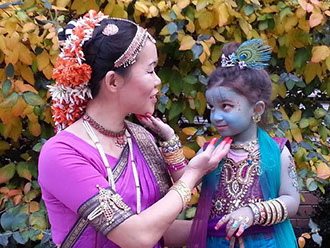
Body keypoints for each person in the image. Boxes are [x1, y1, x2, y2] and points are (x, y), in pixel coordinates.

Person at [38, 10, 232, 248]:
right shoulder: (62, 153)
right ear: (113, 81)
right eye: (150, 70)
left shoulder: (141, 137)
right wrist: (192, 175)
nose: (158, 80)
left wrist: (225, 229)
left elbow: (160, 230)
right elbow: (137, 236)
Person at [188, 40, 300, 248]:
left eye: (226, 106)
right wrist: (169, 143)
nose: (216, 116)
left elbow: (292, 200)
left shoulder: (277, 151)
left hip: (266, 243)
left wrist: (253, 212)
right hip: (216, 242)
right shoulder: (209, 152)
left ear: (256, 110)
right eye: (212, 107)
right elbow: (182, 187)